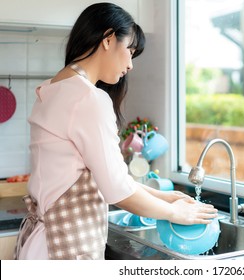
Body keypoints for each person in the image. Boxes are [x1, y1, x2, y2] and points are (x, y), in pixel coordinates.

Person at [14, 3, 217, 260]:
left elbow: (113, 178)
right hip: (63, 250)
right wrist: (175, 213)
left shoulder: (51, 88)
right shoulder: (88, 98)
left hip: (39, 243)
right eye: (130, 51)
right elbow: (118, 192)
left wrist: (163, 197)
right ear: (109, 39)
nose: (131, 65)